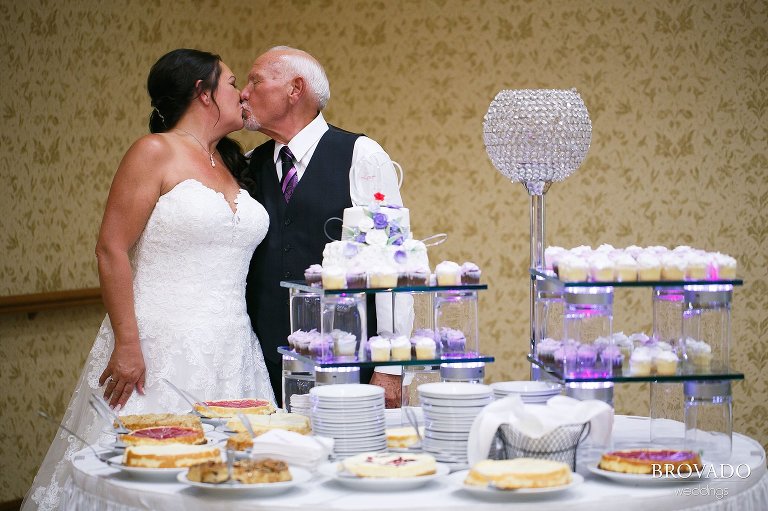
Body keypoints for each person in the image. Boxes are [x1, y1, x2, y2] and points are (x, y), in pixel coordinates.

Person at [22, 48, 274, 511]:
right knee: (150, 478)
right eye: (233, 83)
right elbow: (111, 249)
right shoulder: (153, 151)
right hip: (158, 346)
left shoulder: (232, 164)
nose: (241, 94)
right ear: (203, 93)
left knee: (231, 480)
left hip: (234, 347)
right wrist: (128, 344)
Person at [240, 46, 407, 405]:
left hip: (350, 364)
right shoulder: (249, 165)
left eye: (256, 81)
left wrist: (391, 367)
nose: (244, 92)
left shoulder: (362, 155)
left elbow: (393, 264)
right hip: (266, 364)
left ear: (295, 89)